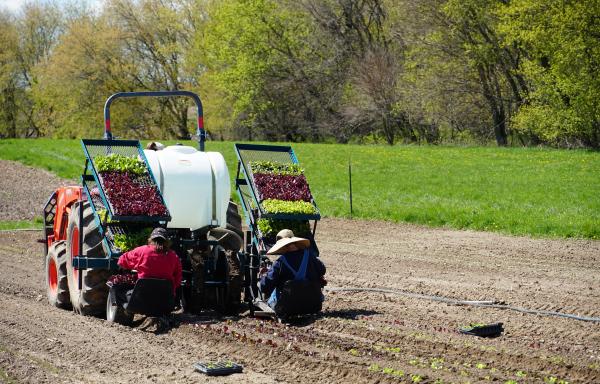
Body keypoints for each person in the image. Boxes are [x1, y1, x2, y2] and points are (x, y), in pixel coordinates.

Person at [260, 229, 326, 311]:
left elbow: (265, 286)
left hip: (288, 307)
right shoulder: (310, 256)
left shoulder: (280, 263)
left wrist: (263, 276)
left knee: (269, 299)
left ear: (282, 246)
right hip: (313, 305)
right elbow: (322, 270)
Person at [118, 227, 182, 297]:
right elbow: (178, 280)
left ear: (151, 239)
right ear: (167, 241)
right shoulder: (173, 256)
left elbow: (122, 261)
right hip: (165, 299)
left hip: (142, 297)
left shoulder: (142, 251)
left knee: (117, 289)